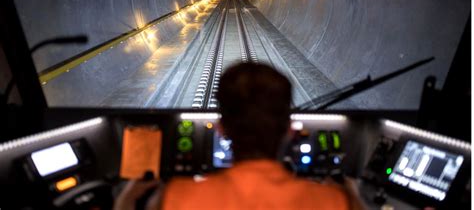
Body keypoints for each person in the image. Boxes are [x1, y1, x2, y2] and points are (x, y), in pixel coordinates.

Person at [115, 63, 364, 210]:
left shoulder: (176, 197)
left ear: (221, 129)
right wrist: (354, 197)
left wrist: (125, 201)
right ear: (289, 129)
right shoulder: (332, 202)